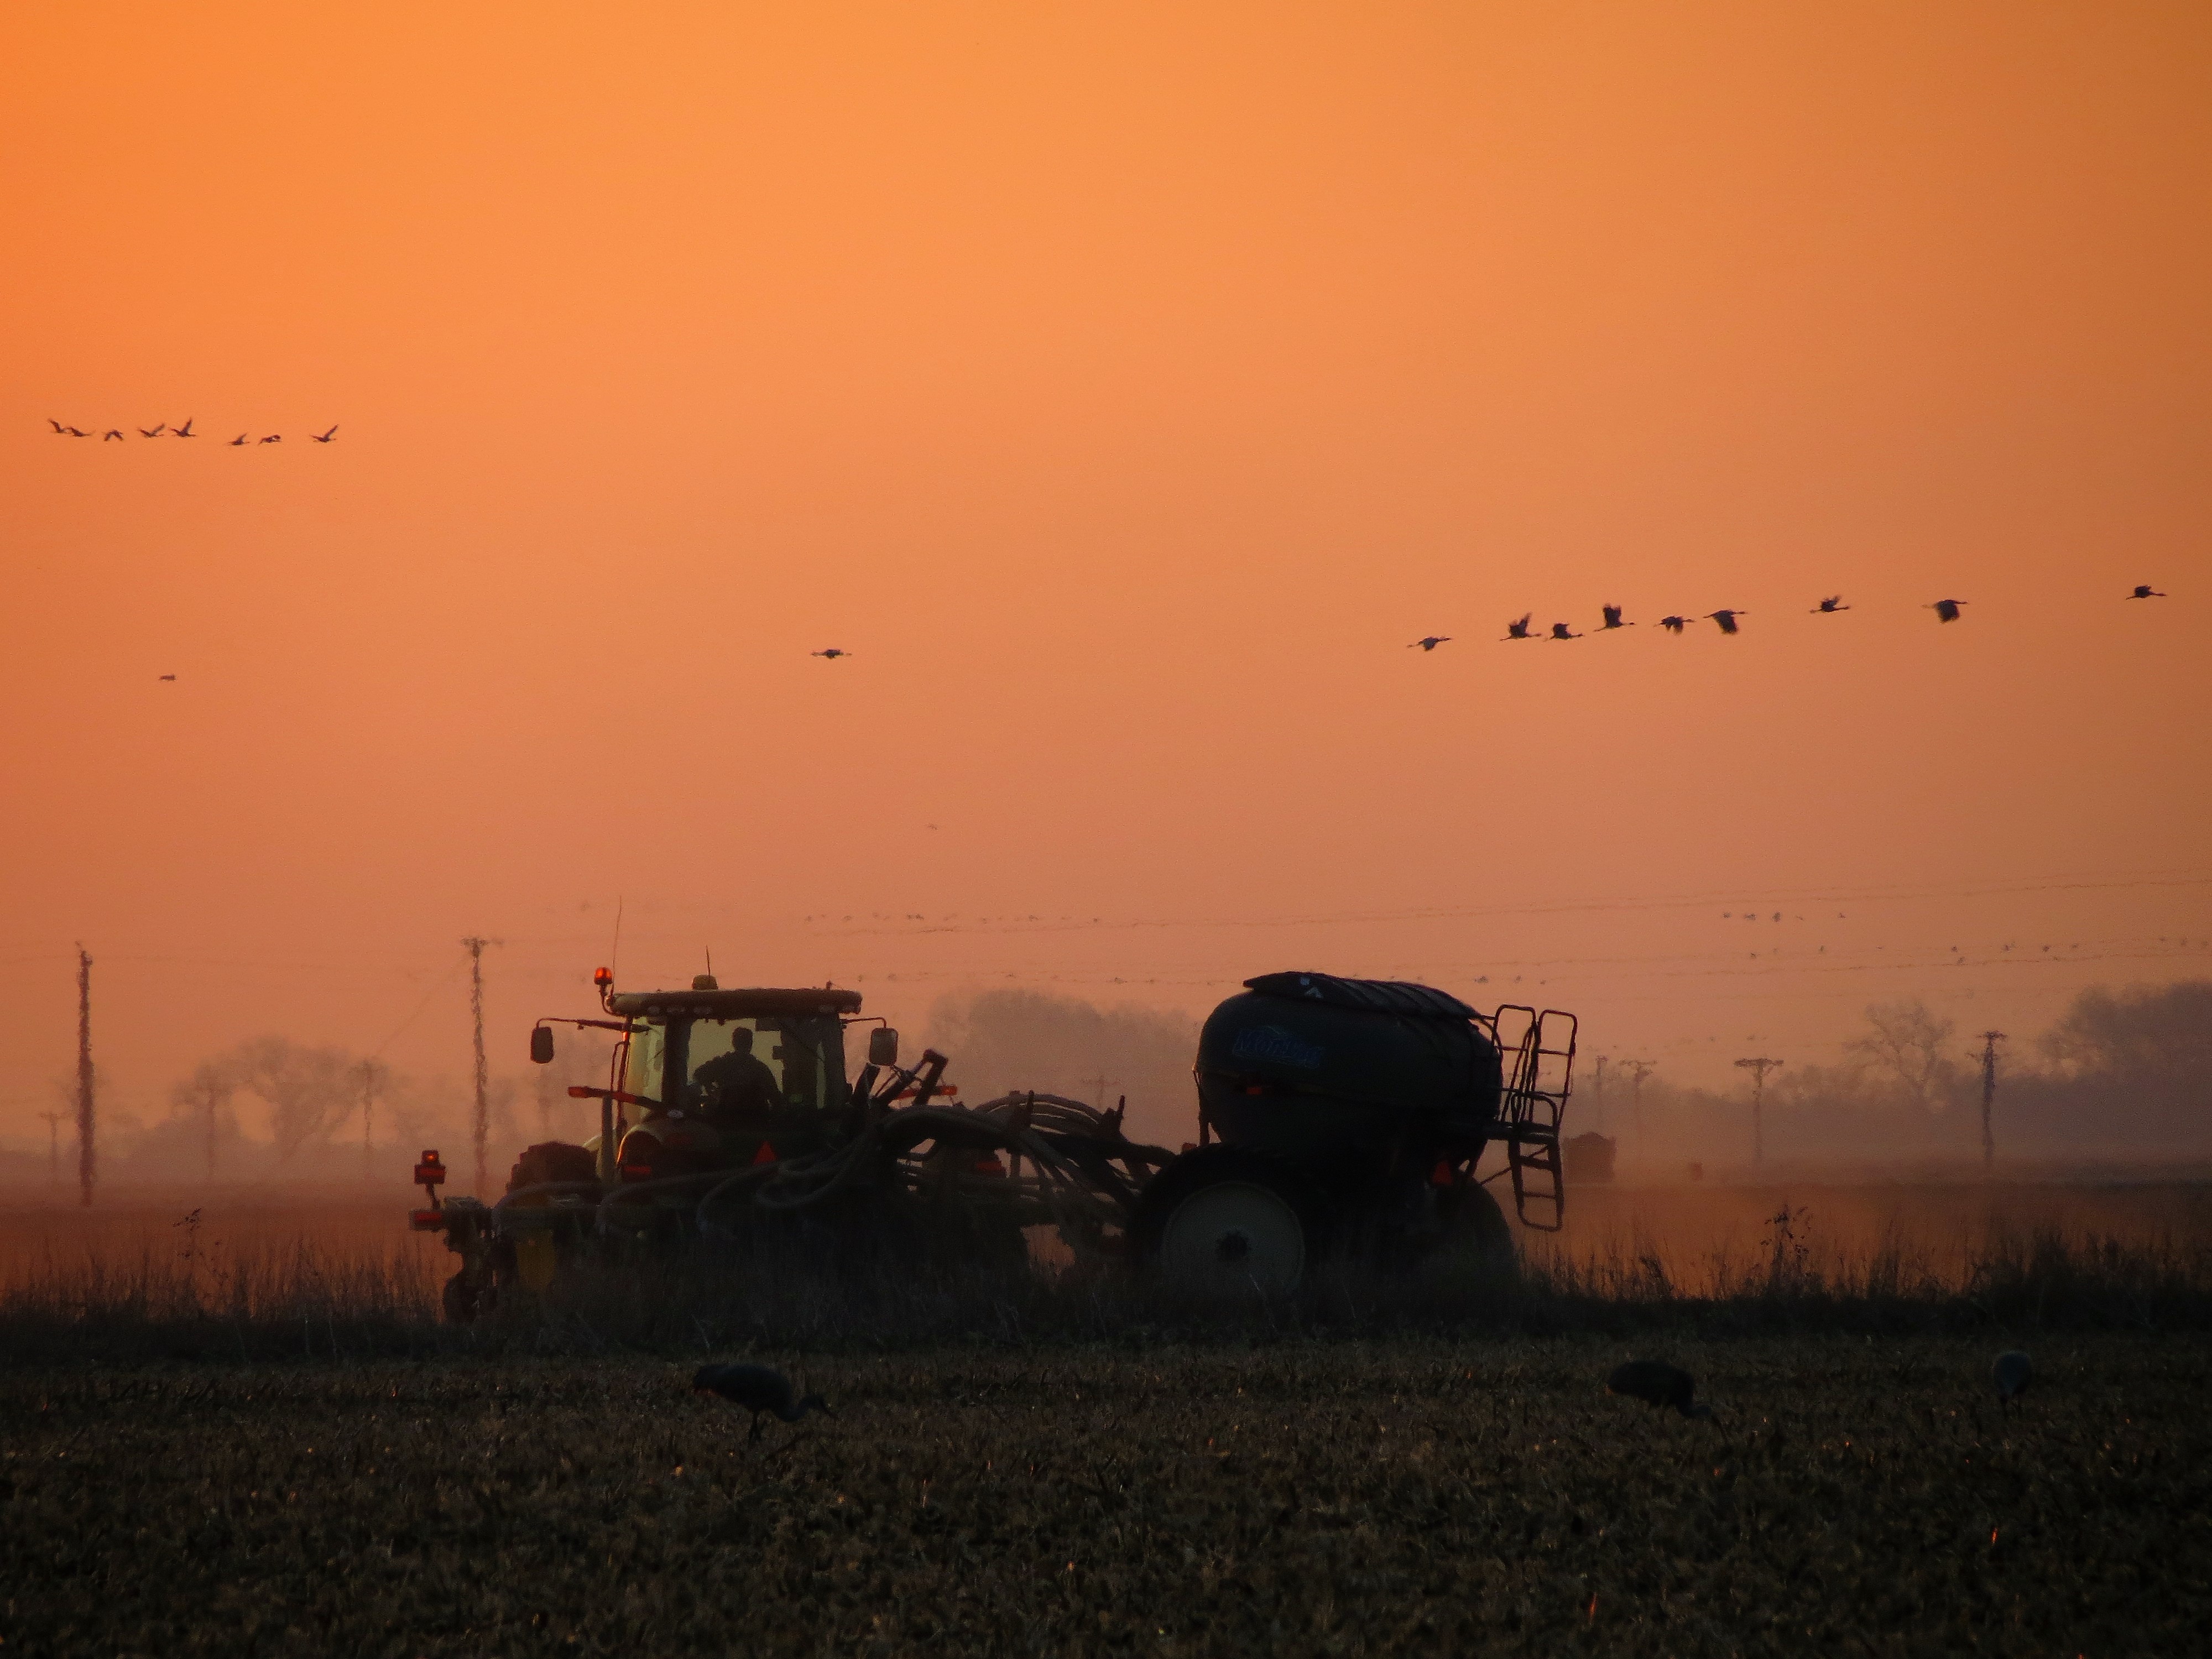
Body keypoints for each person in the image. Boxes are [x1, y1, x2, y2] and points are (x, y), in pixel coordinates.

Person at [692, 1027, 782, 1127]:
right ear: (751, 1044)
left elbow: (699, 1075)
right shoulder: (759, 1068)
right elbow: (775, 1097)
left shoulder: (722, 1064)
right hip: (753, 1121)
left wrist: (710, 1088)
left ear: (734, 1043)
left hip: (730, 1120)